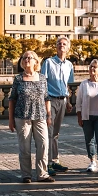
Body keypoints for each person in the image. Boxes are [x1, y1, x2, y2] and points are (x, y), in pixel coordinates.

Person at [8, 50, 55, 183]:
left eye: (30, 57)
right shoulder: (18, 79)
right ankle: (26, 175)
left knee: (43, 145)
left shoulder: (42, 78)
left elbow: (47, 98)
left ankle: (42, 174)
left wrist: (49, 115)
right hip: (22, 117)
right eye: (24, 58)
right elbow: (12, 99)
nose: (27, 59)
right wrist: (11, 120)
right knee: (25, 147)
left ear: (36, 61)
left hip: (40, 116)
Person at [40, 36, 74, 174]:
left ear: (68, 48)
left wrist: (68, 101)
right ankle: (47, 164)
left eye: (64, 44)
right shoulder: (48, 62)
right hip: (50, 100)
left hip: (63, 100)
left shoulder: (69, 65)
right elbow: (43, 83)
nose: (61, 45)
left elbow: (67, 85)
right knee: (48, 132)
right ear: (56, 47)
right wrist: (44, 102)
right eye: (59, 43)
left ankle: (55, 161)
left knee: (56, 133)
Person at [75, 59, 98, 175]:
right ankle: (92, 161)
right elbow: (79, 102)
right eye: (91, 67)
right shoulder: (84, 84)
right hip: (87, 116)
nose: (92, 69)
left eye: (94, 67)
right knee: (89, 140)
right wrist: (79, 117)